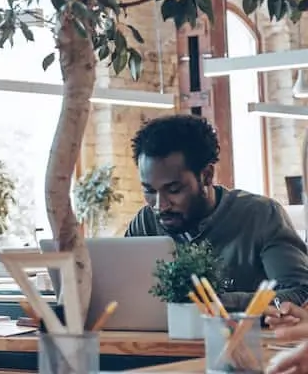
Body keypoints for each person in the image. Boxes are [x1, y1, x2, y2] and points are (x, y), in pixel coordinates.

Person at [124, 113, 308, 311]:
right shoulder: (145, 222)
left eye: (174, 190)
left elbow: (299, 292)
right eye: (149, 191)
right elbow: (120, 290)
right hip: (158, 341)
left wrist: (219, 303)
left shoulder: (261, 216)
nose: (161, 205)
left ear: (206, 175)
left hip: (245, 339)